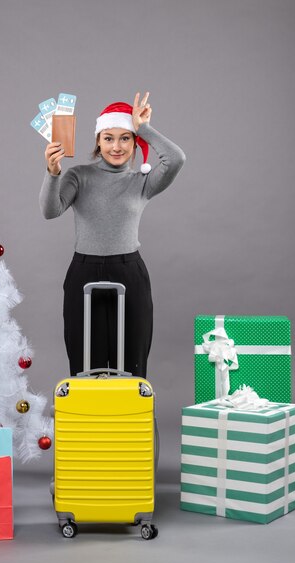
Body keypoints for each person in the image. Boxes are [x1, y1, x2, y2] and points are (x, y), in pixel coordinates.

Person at [39, 93, 185, 377]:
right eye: (108, 138)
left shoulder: (142, 181)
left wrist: (143, 127)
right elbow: (50, 210)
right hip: (83, 271)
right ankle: (89, 418)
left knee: (133, 360)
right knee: (84, 361)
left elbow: (176, 159)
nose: (116, 146)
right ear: (98, 141)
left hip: (129, 271)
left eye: (125, 138)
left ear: (133, 142)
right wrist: (52, 171)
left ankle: (129, 417)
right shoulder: (78, 175)